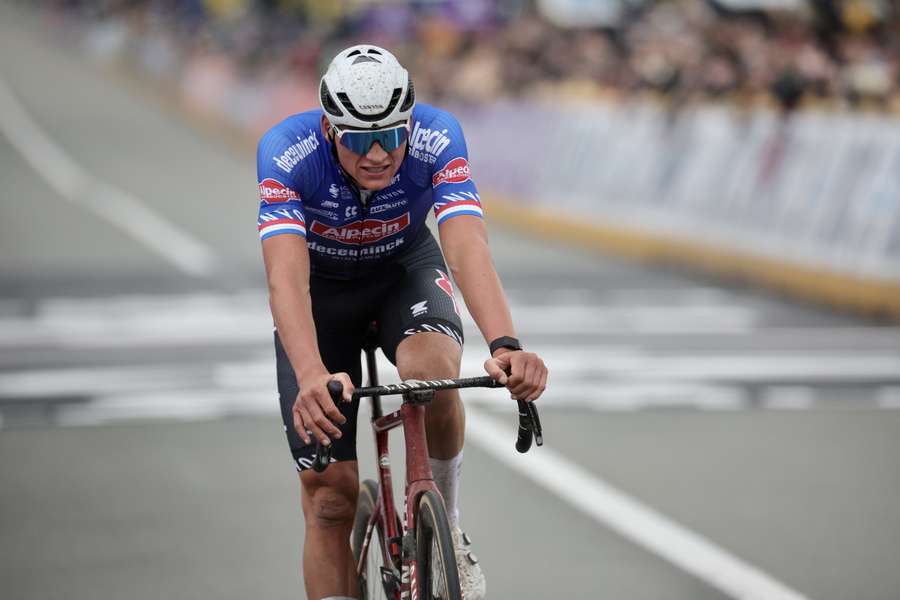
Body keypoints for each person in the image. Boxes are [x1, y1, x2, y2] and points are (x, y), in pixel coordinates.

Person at [256, 44, 548, 600]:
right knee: (329, 498)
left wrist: (506, 343)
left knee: (432, 374)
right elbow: (285, 281)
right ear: (329, 129)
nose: (378, 154)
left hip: (402, 271)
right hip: (323, 297)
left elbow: (466, 245)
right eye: (360, 140)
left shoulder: (439, 136)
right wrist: (312, 374)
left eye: (391, 136)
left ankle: (449, 531)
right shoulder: (286, 153)